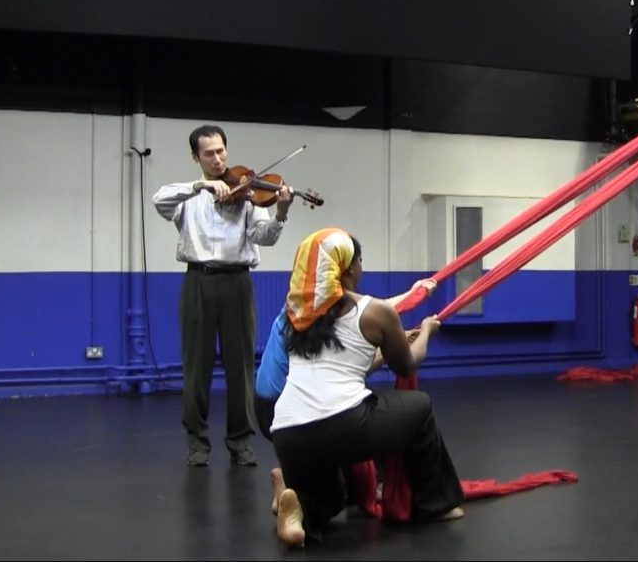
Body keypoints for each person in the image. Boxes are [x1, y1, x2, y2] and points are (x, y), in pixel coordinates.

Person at [269, 228, 464, 547]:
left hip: (288, 433)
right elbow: (407, 364)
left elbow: (350, 362)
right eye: (360, 261)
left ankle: (298, 511)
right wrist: (427, 331)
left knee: (332, 498)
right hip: (341, 426)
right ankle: (430, 505)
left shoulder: (297, 314)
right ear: (346, 269)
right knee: (419, 406)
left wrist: (393, 344)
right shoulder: (374, 311)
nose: (363, 268)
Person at [152, 124, 293, 467]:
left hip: (237, 283)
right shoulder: (187, 199)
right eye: (209, 154)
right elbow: (159, 198)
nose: (217, 159)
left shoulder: (247, 193)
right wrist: (200, 185)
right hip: (198, 281)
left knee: (240, 365)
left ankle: (240, 441)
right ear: (196, 157)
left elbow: (265, 237)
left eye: (221, 151)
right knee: (195, 366)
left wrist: (282, 212)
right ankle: (197, 442)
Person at [255, 277, 437, 515]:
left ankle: (289, 487)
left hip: (271, 413)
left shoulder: (302, 309)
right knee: (369, 413)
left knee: (332, 490)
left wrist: (412, 294)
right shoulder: (320, 318)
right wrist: (403, 344)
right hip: (292, 411)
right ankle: (383, 485)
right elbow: (369, 321)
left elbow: (371, 310)